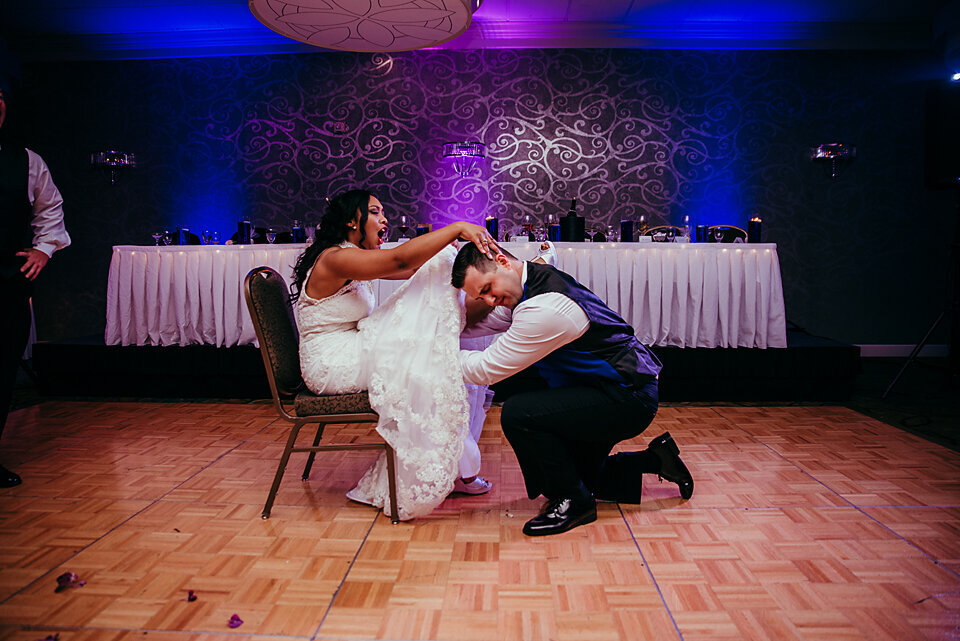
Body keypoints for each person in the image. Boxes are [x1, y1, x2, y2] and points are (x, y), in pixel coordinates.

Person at [452, 243, 694, 536]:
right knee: (578, 477)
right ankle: (656, 459)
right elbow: (474, 325)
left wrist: (432, 359)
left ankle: (576, 504)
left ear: (503, 261)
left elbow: (485, 369)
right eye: (481, 296)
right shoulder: (525, 287)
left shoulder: (545, 307)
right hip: (604, 390)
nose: (490, 301)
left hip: (627, 396)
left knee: (519, 413)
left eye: (489, 288)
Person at [290, 189, 497, 519]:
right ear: (351, 220)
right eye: (375, 212)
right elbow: (400, 260)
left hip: (350, 347)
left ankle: (454, 466)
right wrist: (455, 229)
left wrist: (447, 251)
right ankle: (451, 469)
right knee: (428, 355)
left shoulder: (350, 254)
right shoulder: (335, 258)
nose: (384, 219)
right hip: (330, 363)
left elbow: (411, 269)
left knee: (432, 334)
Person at [0, 82, 71, 488]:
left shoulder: (26, 161)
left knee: (3, 371)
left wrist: (44, 249)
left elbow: (50, 210)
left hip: (8, 283)